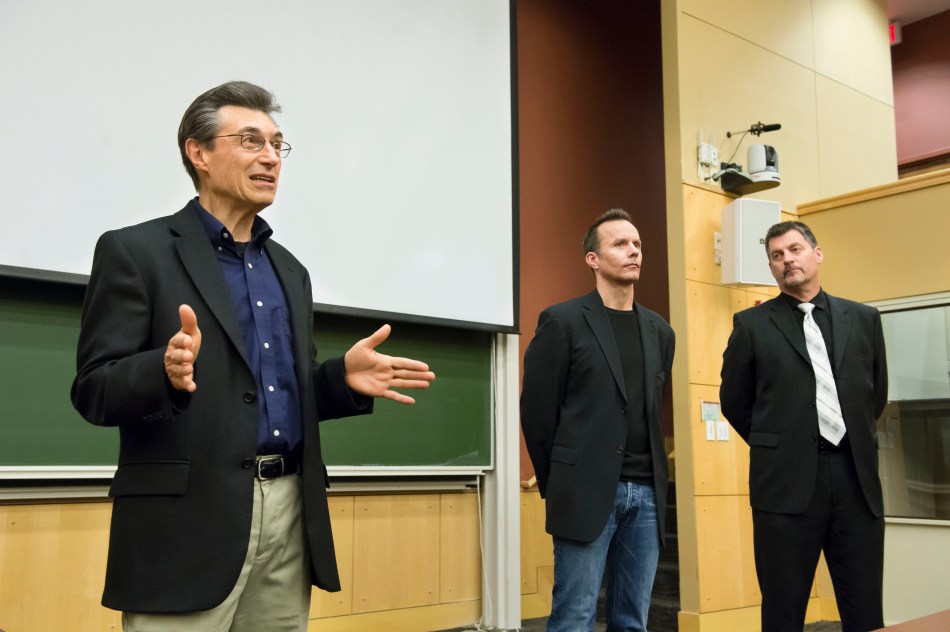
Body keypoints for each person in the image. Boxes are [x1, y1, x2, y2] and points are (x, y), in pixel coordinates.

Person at [70, 81, 436, 631]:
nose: (269, 157)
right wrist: (162, 372)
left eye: (276, 145)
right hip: (185, 524)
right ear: (199, 152)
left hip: (289, 512)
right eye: (250, 141)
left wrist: (340, 382)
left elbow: (275, 393)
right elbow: (94, 388)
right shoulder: (136, 251)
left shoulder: (289, 270)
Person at [720, 221, 888, 631]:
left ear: (817, 253)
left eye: (794, 249)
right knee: (783, 609)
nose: (786, 260)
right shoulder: (751, 325)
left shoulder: (864, 319)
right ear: (772, 269)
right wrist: (780, 443)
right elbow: (735, 403)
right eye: (776, 256)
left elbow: (875, 395)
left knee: (864, 607)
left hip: (855, 481)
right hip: (784, 487)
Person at [520, 208, 675, 632]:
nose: (633, 252)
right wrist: (559, 482)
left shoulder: (660, 331)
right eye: (620, 244)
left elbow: (650, 405)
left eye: (637, 245)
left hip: (645, 495)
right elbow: (536, 411)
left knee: (633, 621)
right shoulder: (563, 321)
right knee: (574, 617)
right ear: (593, 258)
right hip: (584, 491)